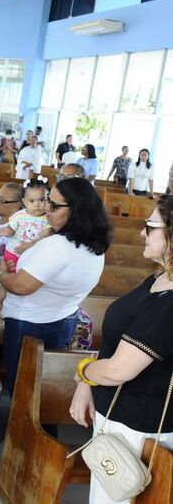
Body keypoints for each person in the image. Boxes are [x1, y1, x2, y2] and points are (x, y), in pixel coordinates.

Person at [0, 177, 111, 481]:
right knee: (39, 398)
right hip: (62, 320)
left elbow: (22, 286)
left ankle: (24, 465)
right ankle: (38, 459)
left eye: (54, 204)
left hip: (29, 325)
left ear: (75, 210)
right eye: (46, 201)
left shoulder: (58, 246)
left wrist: (1, 273)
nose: (46, 208)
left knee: (25, 399)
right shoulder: (94, 246)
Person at [69, 195, 173, 504]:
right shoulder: (160, 278)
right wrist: (87, 385)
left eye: (150, 226)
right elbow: (116, 343)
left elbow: (118, 370)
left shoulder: (169, 302)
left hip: (140, 430)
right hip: (119, 418)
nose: (142, 233)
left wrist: (82, 372)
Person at [0, 178, 52, 316]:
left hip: (31, 256)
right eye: (32, 201)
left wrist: (29, 245)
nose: (37, 205)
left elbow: (44, 236)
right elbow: (11, 229)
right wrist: (4, 232)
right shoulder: (19, 216)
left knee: (25, 281)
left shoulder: (47, 219)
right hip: (13, 253)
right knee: (6, 280)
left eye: (42, 200)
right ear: (24, 202)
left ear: (48, 200)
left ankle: (19, 308)